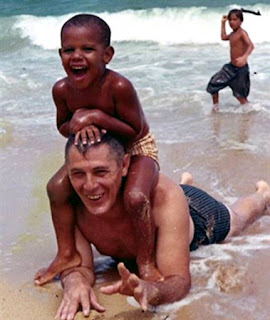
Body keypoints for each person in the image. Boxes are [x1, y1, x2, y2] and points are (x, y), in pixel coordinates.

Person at [55, 133, 269, 320]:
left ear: (124, 165)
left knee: (237, 219)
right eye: (78, 173)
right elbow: (79, 264)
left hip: (197, 215)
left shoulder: (163, 198)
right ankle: (185, 183)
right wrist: (74, 281)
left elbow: (179, 281)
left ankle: (262, 195)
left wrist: (151, 290)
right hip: (167, 206)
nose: (90, 185)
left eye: (100, 172)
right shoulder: (71, 203)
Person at [35, 14, 160, 285]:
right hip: (95, 152)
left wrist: (95, 117)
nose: (77, 56)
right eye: (69, 50)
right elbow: (63, 126)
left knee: (136, 196)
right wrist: (79, 121)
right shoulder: (61, 90)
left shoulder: (118, 86)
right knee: (56, 187)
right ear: (60, 54)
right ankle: (67, 252)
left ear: (107, 54)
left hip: (136, 147)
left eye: (88, 49)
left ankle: (146, 262)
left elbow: (135, 130)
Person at [206, 9, 255, 111]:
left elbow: (250, 45)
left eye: (235, 19)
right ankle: (215, 109)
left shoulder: (242, 33)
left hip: (240, 70)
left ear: (241, 21)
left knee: (240, 96)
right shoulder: (232, 34)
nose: (232, 22)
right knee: (213, 84)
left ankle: (249, 114)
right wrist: (223, 23)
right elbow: (223, 37)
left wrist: (244, 57)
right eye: (230, 20)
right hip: (230, 68)